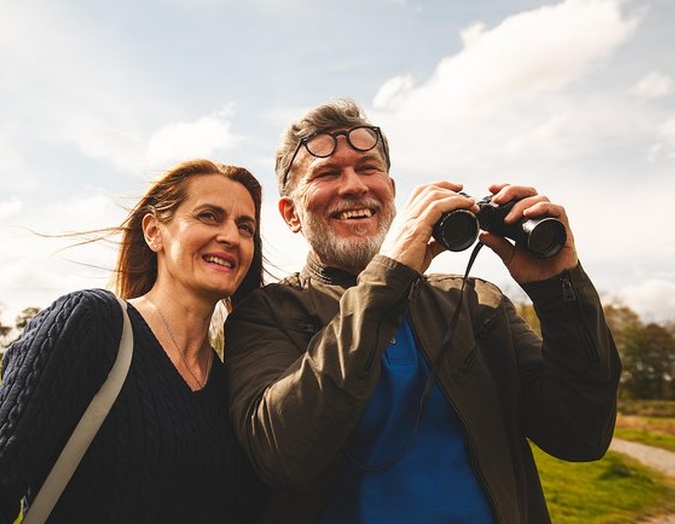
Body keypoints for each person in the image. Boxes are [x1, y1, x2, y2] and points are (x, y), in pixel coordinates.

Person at [224, 98, 621, 524]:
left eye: (368, 168)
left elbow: (581, 435)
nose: (354, 185)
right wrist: (388, 278)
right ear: (291, 215)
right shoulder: (266, 314)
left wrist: (559, 289)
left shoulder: (475, 304)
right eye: (327, 173)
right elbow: (282, 455)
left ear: (392, 193)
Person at [0, 159, 264, 523]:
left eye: (246, 228)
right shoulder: (91, 324)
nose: (231, 236)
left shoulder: (232, 383)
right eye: (209, 216)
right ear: (153, 232)